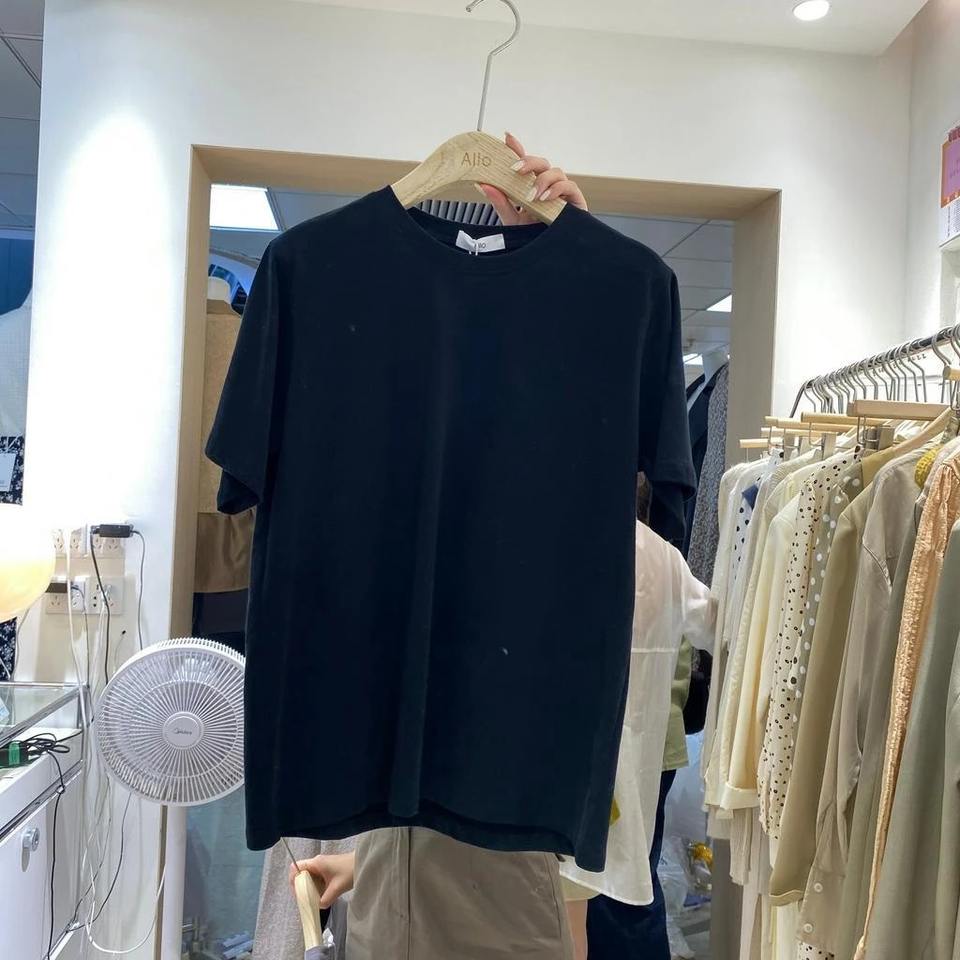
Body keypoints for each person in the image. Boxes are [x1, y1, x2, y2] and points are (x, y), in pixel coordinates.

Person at [289, 136, 590, 960]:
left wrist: (570, 274)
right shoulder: (389, 522)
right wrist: (363, 863)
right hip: (389, 900)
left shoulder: (560, 538)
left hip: (504, 909)